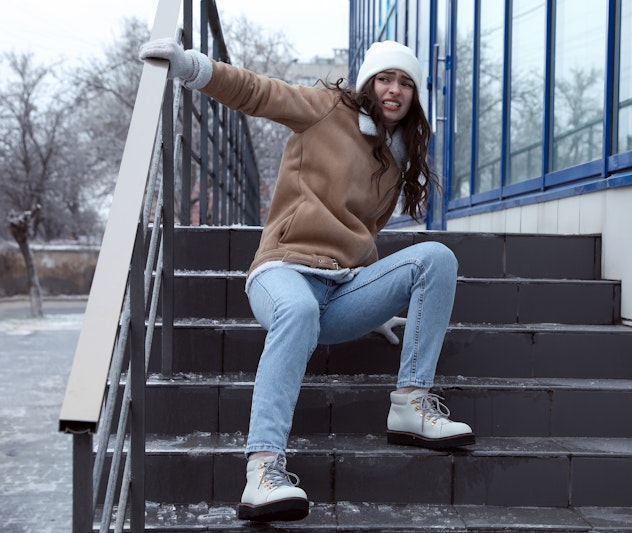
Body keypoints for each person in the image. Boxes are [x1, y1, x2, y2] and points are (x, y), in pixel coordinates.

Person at [138, 37, 475, 523]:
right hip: (283, 272)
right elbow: (257, 92)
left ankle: (411, 403)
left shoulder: (396, 158)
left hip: (342, 290)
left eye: (406, 83)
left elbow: (363, 234)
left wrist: (375, 304)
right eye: (385, 78)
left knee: (437, 258)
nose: (395, 90)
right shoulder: (326, 110)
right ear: (367, 83)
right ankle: (263, 470)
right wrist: (190, 66)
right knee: (297, 311)